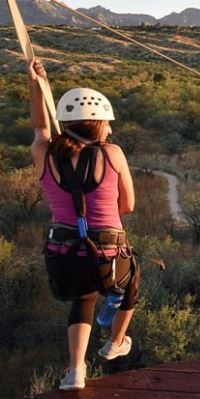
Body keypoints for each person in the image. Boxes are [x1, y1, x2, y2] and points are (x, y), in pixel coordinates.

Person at [29, 58, 139, 390]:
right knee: (131, 281)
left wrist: (36, 83)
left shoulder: (44, 153)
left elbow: (40, 127)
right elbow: (129, 206)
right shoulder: (113, 153)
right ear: (97, 124)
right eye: (107, 123)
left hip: (62, 255)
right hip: (109, 255)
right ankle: (116, 342)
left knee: (84, 298)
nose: (110, 128)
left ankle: (76, 371)